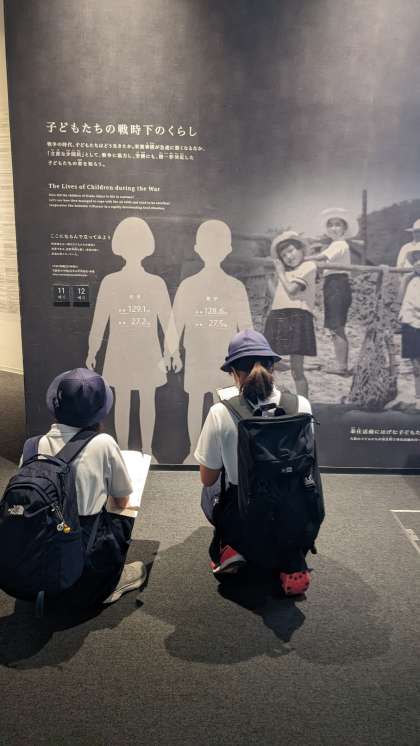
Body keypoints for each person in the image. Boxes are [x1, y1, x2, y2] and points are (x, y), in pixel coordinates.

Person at [194, 329, 313, 595]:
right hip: (294, 511)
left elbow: (208, 478)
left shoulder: (220, 412)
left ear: (234, 373)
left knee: (210, 489)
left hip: (246, 514)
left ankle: (230, 547)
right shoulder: (302, 406)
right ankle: (290, 559)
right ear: (273, 367)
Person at [26, 367, 147, 609]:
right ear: (99, 411)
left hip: (36, 555)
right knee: (124, 511)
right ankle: (109, 582)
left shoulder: (32, 445)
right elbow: (122, 500)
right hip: (84, 554)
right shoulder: (103, 443)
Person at [86, 217, 175, 454]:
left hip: (142, 351)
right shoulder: (115, 282)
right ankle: (130, 450)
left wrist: (171, 353)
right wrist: (92, 350)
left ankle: (144, 450)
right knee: (131, 400)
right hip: (127, 351)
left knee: (137, 399)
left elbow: (168, 322)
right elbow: (100, 321)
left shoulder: (150, 283)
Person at [169, 219, 253, 461]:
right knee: (195, 401)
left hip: (226, 359)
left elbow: (246, 326)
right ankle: (193, 451)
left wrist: (248, 358)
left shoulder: (235, 287)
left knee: (225, 404)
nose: (213, 249)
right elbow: (176, 321)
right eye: (208, 244)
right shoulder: (189, 285)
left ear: (228, 250)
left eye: (218, 244)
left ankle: (224, 453)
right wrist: (172, 352)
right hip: (197, 354)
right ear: (197, 248)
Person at [264, 231, 317, 397]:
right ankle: (268, 399)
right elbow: (277, 296)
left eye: (291, 250)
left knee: (297, 369)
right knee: (265, 362)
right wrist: (268, 276)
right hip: (278, 314)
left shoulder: (308, 266)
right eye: (284, 255)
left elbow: (292, 290)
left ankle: (303, 404)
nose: (289, 256)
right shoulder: (284, 273)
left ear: (301, 249)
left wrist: (280, 272)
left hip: (297, 316)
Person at [305, 207, 356, 376]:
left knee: (337, 327)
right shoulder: (334, 245)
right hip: (332, 284)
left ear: (344, 228)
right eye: (331, 225)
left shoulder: (340, 244)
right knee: (334, 327)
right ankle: (340, 365)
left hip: (338, 284)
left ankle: (342, 367)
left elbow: (321, 257)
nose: (334, 228)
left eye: (337, 225)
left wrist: (301, 259)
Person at [398, 249, 420, 410]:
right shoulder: (412, 280)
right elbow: (402, 300)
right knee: (415, 364)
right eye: (416, 261)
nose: (418, 264)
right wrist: (406, 279)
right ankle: (418, 398)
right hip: (410, 324)